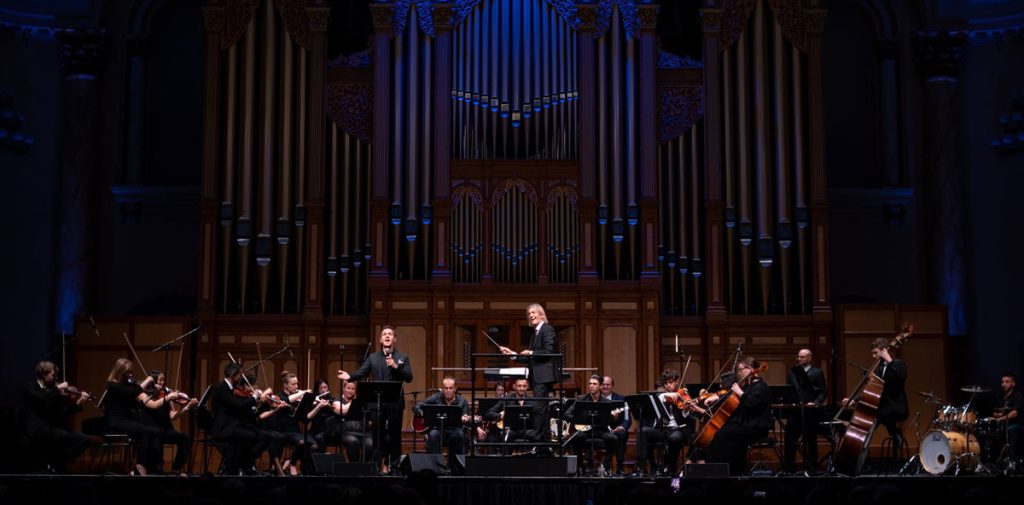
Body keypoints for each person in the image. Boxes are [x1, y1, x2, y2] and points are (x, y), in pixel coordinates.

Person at [337, 325, 413, 473]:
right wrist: (350, 376)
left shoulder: (402, 357)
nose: (387, 336)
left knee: (394, 435)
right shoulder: (373, 357)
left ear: (394, 339)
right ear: (380, 339)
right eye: (384, 334)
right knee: (377, 435)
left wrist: (396, 366)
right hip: (377, 403)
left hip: (395, 402)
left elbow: (409, 377)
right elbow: (362, 372)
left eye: (390, 334)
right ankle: (376, 464)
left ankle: (395, 465)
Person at [703, 356, 771, 476]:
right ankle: (730, 470)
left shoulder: (761, 387)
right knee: (722, 432)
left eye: (741, 370)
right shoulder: (747, 386)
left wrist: (740, 392)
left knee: (722, 435)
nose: (739, 373)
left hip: (756, 427)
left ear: (750, 369)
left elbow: (752, 405)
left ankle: (727, 471)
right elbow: (731, 396)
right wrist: (717, 397)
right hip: (745, 424)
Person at [499, 303, 558, 440]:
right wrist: (512, 354)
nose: (531, 315)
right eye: (529, 314)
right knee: (541, 408)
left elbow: (548, 352)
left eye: (533, 312)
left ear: (541, 314)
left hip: (544, 376)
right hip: (538, 377)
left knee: (539, 409)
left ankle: (541, 441)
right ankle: (543, 443)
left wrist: (530, 352)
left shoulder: (547, 329)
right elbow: (531, 359)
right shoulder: (535, 334)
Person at [20, 361, 92, 472]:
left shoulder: (53, 391)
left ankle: (59, 462)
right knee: (61, 436)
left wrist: (78, 403)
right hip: (36, 428)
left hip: (52, 427)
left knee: (84, 439)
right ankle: (54, 466)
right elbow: (42, 398)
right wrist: (58, 389)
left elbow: (61, 413)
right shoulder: (30, 387)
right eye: (53, 375)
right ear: (44, 375)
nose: (56, 378)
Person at [103, 358, 165, 475]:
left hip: (126, 421)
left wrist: (152, 394)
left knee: (155, 431)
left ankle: (152, 466)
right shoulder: (112, 386)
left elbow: (136, 405)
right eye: (127, 372)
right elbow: (132, 392)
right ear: (120, 371)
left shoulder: (126, 386)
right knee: (148, 432)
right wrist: (148, 380)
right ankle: (143, 466)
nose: (130, 375)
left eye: (131, 372)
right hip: (117, 422)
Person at [635, 368, 699, 476]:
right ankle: (643, 467)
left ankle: (671, 468)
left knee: (674, 438)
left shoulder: (683, 394)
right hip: (664, 430)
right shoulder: (662, 397)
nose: (668, 386)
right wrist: (665, 395)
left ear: (677, 381)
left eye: (670, 382)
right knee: (642, 430)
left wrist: (686, 408)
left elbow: (685, 417)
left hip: (679, 429)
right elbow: (658, 400)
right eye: (666, 383)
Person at [210, 363, 267, 475]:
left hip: (232, 426)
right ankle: (242, 466)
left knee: (259, 435)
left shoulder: (229, 388)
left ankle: (240, 466)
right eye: (240, 375)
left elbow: (240, 406)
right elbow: (238, 405)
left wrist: (257, 403)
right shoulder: (222, 389)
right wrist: (254, 397)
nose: (241, 377)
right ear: (233, 375)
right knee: (252, 436)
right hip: (224, 428)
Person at [140, 370, 196, 475]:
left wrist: (187, 407)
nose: (163, 382)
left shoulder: (165, 394)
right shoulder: (145, 394)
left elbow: (172, 416)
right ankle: (158, 468)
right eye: (160, 380)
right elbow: (154, 405)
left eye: (164, 380)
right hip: (152, 432)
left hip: (165, 430)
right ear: (153, 381)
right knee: (158, 434)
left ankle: (177, 468)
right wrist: (168, 397)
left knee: (185, 437)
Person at [563, 375, 620, 475]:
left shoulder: (606, 402)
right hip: (585, 429)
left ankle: (605, 466)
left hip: (600, 430)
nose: (591, 386)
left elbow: (609, 421)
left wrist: (614, 418)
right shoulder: (581, 399)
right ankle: (581, 466)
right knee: (575, 438)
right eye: (590, 384)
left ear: (600, 386)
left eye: (594, 384)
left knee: (613, 439)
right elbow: (567, 414)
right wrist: (580, 418)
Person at [782, 349, 827, 474]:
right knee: (790, 440)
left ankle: (811, 469)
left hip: (810, 412)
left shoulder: (817, 372)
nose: (799, 359)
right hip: (795, 411)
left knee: (810, 441)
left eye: (802, 357)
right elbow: (789, 389)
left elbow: (823, 392)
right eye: (799, 357)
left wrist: (815, 403)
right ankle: (789, 469)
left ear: (809, 358)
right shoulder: (792, 372)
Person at [414, 376, 471, 457]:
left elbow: (466, 416)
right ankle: (436, 466)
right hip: (439, 429)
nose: (448, 390)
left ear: (455, 388)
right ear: (443, 388)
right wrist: (423, 413)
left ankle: (456, 466)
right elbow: (417, 406)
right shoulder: (436, 397)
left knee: (460, 434)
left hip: (454, 430)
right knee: (433, 434)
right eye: (446, 388)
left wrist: (465, 418)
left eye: (450, 388)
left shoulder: (462, 401)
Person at [484, 378, 538, 447]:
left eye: (524, 386)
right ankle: (507, 457)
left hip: (527, 430)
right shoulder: (506, 399)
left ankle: (532, 456)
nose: (522, 388)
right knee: (506, 437)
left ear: (527, 387)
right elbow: (488, 413)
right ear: (514, 386)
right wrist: (501, 416)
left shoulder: (533, 401)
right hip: (511, 430)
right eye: (519, 386)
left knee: (537, 436)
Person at [331, 380, 374, 462]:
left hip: (362, 431)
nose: (350, 391)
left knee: (370, 443)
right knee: (353, 441)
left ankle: (363, 466)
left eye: (353, 389)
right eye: (348, 388)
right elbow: (342, 411)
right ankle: (354, 466)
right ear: (343, 388)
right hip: (346, 431)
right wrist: (355, 401)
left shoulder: (361, 401)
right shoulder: (337, 399)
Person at [601, 375, 631, 475]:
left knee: (622, 434)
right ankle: (603, 465)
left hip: (617, 430)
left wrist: (622, 427)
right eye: (603, 384)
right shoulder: (596, 399)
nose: (605, 386)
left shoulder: (622, 399)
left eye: (608, 384)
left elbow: (627, 420)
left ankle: (619, 465)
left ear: (612, 386)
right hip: (601, 430)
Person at [993, 372, 1021, 462]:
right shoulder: (1000, 396)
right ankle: (991, 461)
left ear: (1013, 384)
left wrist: (1000, 418)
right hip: (1002, 424)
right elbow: (994, 412)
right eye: (1002, 382)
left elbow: (1015, 413)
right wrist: (997, 415)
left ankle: (1011, 461)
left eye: (1007, 382)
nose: (1004, 384)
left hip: (1016, 423)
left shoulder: (1017, 395)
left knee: (1012, 429)